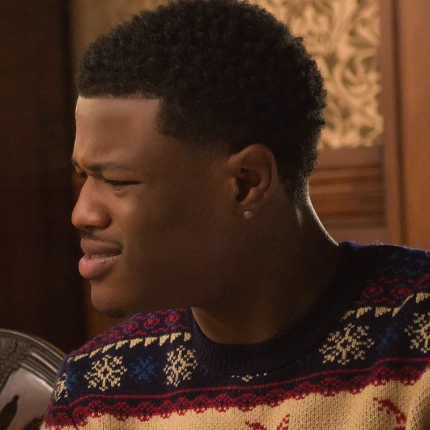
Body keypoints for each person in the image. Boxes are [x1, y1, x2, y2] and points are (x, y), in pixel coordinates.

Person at [42, 0, 430, 428]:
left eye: (117, 180)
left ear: (247, 182)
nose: (82, 214)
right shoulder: (93, 393)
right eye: (84, 177)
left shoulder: (419, 341)